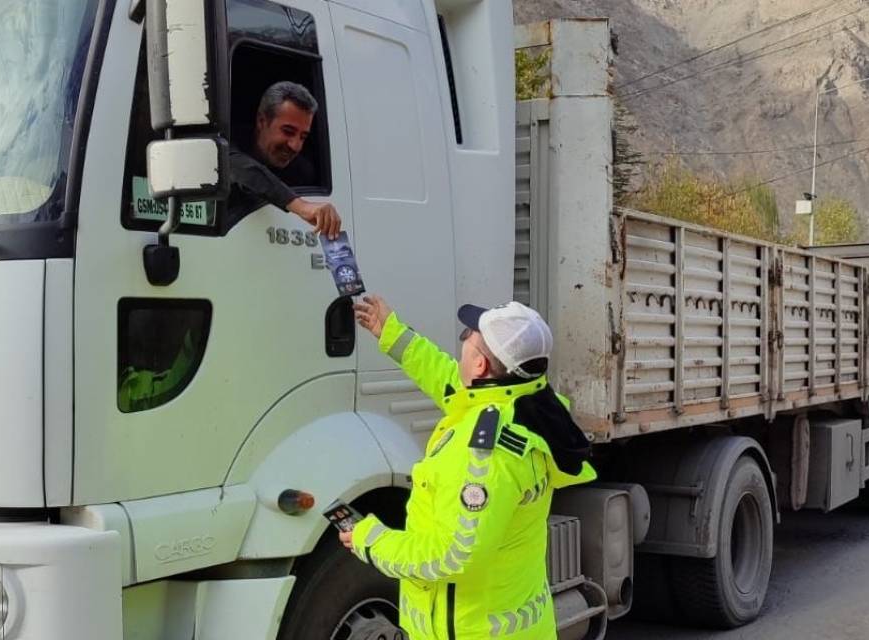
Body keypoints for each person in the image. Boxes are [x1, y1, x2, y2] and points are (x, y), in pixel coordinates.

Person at [343, 295, 597, 640]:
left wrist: (369, 540)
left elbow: (452, 556)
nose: (462, 339)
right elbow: (447, 378)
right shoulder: (529, 404)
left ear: (480, 366)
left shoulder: (487, 457)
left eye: (469, 336)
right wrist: (390, 331)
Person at [227, 81, 341, 237]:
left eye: (303, 137)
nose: (295, 146)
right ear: (262, 121)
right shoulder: (230, 142)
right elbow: (238, 166)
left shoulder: (301, 171)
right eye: (288, 131)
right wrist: (301, 206)